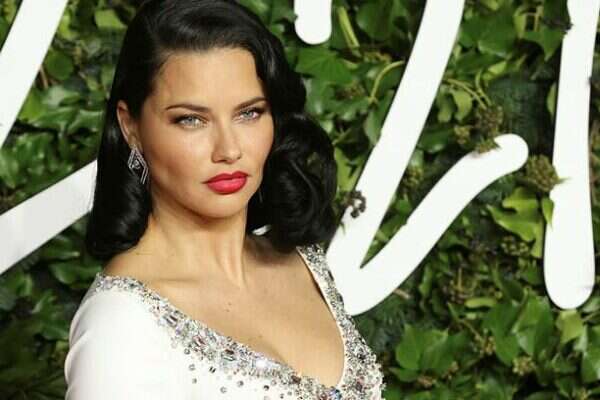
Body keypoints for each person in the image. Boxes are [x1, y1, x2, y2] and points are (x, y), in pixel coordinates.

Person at [63, 0, 385, 398]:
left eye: (249, 113)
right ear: (131, 127)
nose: (229, 150)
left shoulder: (302, 261)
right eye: (191, 120)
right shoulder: (119, 324)